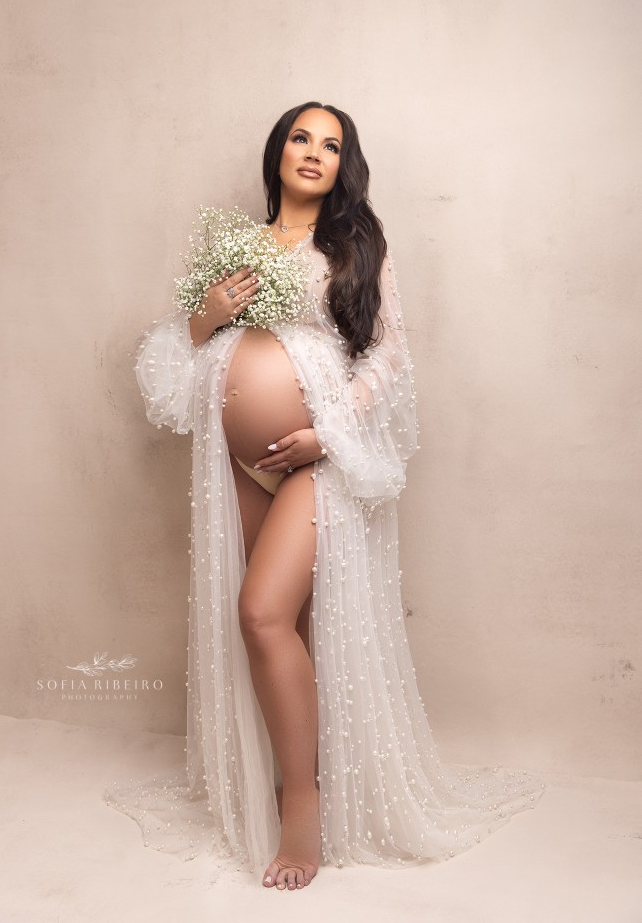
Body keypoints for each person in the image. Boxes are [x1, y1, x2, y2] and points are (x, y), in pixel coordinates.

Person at [104, 101, 545, 891]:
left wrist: (327, 434)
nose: (313, 153)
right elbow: (174, 367)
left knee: (261, 612)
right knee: (283, 627)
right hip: (234, 465)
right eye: (301, 138)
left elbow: (388, 357)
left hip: (315, 460)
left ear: (343, 166)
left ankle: (303, 806)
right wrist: (204, 321)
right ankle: (282, 778)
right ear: (278, 153)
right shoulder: (237, 246)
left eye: (330, 145)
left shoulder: (354, 248)